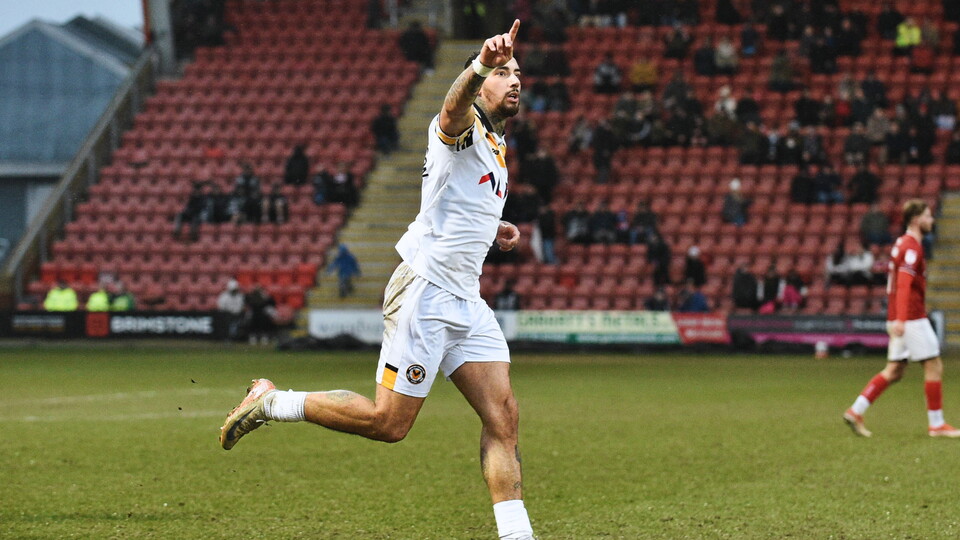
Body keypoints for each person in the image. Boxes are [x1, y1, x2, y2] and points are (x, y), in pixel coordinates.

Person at [220, 21, 535, 540]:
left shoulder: (497, 148)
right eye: (503, 73)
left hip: (466, 300)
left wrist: (492, 227)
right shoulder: (460, 128)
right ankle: (272, 401)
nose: (514, 79)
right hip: (426, 292)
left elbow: (454, 203)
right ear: (480, 84)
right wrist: (479, 64)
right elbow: (451, 110)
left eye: (517, 72)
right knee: (390, 424)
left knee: (503, 417)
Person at [843, 200, 960, 438]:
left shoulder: (903, 243)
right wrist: (902, 319)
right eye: (928, 216)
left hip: (900, 316)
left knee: (895, 370)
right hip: (911, 316)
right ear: (916, 219)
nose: (932, 220)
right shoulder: (911, 247)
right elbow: (904, 283)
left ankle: (856, 410)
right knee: (934, 365)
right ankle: (936, 424)